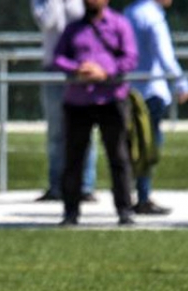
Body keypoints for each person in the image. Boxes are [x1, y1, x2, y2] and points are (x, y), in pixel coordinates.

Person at [53, 0, 138, 226]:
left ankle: (124, 209)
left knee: (118, 157)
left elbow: (130, 57)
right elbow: (58, 57)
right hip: (78, 101)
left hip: (111, 99)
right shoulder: (73, 29)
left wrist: (105, 72)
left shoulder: (120, 24)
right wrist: (77, 69)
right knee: (73, 159)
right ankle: (70, 212)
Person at [124, 0, 188, 215]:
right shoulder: (153, 17)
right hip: (150, 90)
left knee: (131, 144)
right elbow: (164, 54)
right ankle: (142, 196)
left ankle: (128, 194)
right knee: (149, 146)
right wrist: (180, 81)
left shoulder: (130, 12)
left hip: (129, 88)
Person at [31, 0, 98, 203]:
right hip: (53, 68)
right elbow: (48, 22)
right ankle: (56, 185)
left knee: (86, 127)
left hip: (81, 67)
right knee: (56, 131)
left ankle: (85, 186)